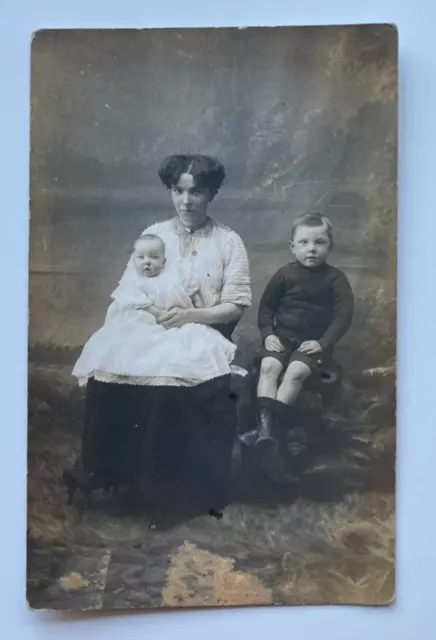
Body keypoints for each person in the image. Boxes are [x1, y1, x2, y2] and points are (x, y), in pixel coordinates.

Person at [65, 154, 251, 525]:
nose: (186, 201)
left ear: (211, 193)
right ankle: (111, 472)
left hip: (202, 333)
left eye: (196, 192)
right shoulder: (155, 234)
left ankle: (164, 493)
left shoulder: (228, 241)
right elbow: (130, 287)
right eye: (178, 191)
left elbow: (234, 306)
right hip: (150, 328)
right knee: (110, 364)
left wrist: (189, 316)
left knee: (168, 380)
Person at [240, 212, 354, 460]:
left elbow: (343, 317)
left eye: (319, 242)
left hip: (311, 345)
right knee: (269, 366)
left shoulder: (336, 279)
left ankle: (266, 431)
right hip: (282, 338)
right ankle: (267, 428)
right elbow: (267, 308)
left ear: (330, 246)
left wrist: (323, 344)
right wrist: (268, 334)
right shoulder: (284, 275)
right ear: (292, 247)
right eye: (304, 242)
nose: (311, 249)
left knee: (296, 372)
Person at [72, 234, 236, 387]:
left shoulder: (175, 275)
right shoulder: (133, 281)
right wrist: (158, 314)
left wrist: (196, 309)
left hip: (177, 319)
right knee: (137, 345)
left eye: (154, 257)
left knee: (192, 342)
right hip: (144, 320)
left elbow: (192, 292)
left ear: (164, 262)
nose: (147, 262)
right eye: (141, 257)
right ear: (134, 260)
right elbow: (140, 303)